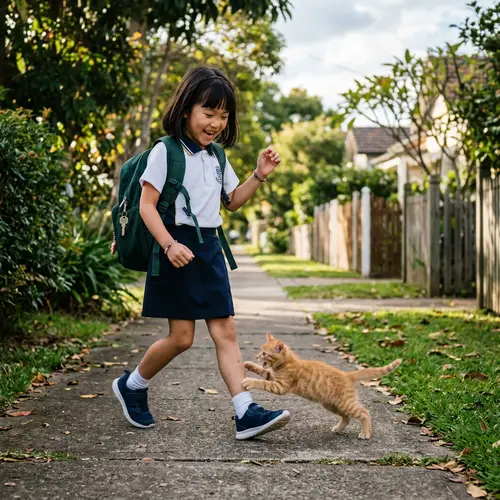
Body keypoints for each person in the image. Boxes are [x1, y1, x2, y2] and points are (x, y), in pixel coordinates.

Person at [112, 66, 290, 440]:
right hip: (175, 246)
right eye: (208, 114)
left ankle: (245, 412)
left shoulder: (217, 156)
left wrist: (258, 175)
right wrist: (169, 244)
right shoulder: (166, 151)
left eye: (223, 116)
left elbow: (233, 202)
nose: (216, 123)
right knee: (181, 339)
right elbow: (147, 206)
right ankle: (133, 385)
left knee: (226, 331)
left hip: (209, 248)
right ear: (186, 110)